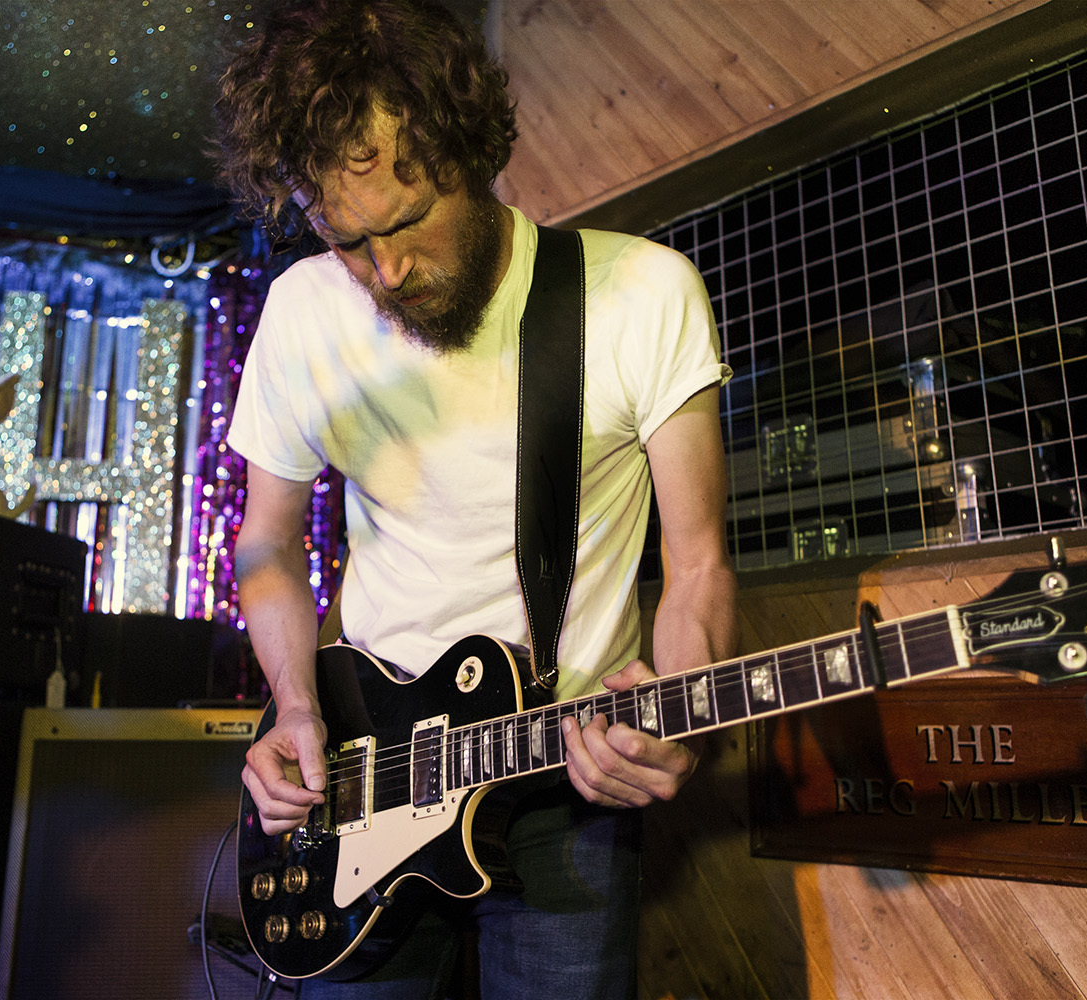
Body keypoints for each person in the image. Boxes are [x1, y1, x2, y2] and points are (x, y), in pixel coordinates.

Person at [215, 1, 738, 995]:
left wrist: (685, 716)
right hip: (360, 773)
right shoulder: (301, 311)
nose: (387, 270)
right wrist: (294, 708)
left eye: (407, 221)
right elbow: (266, 544)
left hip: (564, 775)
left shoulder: (642, 294)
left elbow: (699, 563)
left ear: (475, 155)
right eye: (347, 240)